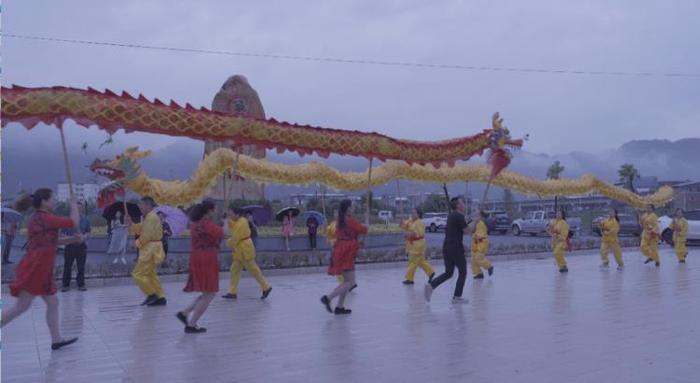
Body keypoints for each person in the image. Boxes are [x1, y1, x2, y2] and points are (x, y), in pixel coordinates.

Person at [1, 189, 81, 350]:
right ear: (44, 201)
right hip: (36, 268)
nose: (55, 201)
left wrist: (73, 239)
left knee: (53, 303)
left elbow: (53, 241)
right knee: (21, 307)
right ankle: (56, 339)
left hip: (42, 267)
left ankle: (56, 339)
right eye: (53, 199)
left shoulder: (39, 218)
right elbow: (74, 222)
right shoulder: (45, 218)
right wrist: (74, 205)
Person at [176, 200, 223, 334]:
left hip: (197, 257)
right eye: (215, 209)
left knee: (207, 293)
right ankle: (191, 324)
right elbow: (222, 233)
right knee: (210, 293)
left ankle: (185, 313)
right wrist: (226, 223)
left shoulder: (195, 224)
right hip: (207, 258)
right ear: (210, 211)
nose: (216, 212)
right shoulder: (207, 225)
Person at [321, 199, 368, 314]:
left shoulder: (340, 220)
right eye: (351, 206)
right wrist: (366, 219)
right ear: (348, 208)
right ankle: (329, 297)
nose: (353, 208)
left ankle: (340, 306)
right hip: (346, 252)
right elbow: (363, 230)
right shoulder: (349, 220)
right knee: (350, 282)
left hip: (341, 251)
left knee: (347, 281)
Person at [424, 197, 471, 304]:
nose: (464, 204)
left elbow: (464, 224)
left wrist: (470, 220)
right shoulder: (458, 216)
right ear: (458, 205)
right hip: (456, 248)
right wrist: (477, 220)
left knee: (448, 273)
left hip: (447, 247)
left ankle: (431, 285)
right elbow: (468, 231)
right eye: (462, 202)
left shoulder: (452, 215)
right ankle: (457, 297)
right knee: (463, 272)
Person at [222, 206, 272, 300]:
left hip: (245, 249)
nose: (230, 216)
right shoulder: (238, 221)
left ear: (237, 214)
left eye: (231, 214)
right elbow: (232, 225)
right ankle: (232, 292)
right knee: (234, 270)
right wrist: (226, 220)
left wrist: (227, 243)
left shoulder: (242, 222)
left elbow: (235, 238)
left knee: (253, 270)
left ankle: (266, 287)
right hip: (239, 251)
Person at [127, 197, 167, 306]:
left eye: (141, 204)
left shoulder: (151, 217)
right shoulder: (150, 217)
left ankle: (151, 294)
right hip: (152, 247)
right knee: (150, 274)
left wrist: (136, 243)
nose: (140, 207)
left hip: (150, 249)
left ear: (148, 205)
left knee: (137, 273)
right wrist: (131, 224)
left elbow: (146, 236)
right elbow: (141, 228)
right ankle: (160, 297)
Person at [61, 201, 92, 292]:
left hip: (81, 246)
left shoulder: (86, 220)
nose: (78, 209)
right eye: (76, 208)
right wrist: (70, 238)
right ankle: (65, 285)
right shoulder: (67, 220)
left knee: (81, 267)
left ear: (81, 208)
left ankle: (81, 284)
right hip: (70, 246)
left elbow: (89, 232)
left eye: (79, 208)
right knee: (67, 266)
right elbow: (62, 234)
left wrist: (84, 237)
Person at [401, 207, 434, 285]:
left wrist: (410, 234)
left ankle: (410, 279)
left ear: (418, 214)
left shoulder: (420, 222)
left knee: (412, 262)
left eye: (414, 213)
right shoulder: (411, 221)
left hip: (418, 245)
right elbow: (404, 226)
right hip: (412, 245)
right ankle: (431, 273)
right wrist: (402, 221)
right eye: (411, 212)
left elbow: (420, 233)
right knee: (421, 262)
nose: (412, 214)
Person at [471, 210, 494, 279]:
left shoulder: (481, 223)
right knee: (473, 260)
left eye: (476, 215)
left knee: (478, 257)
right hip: (475, 243)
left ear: (480, 216)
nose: (474, 216)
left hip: (482, 243)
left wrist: (472, 233)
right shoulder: (476, 223)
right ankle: (479, 273)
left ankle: (489, 266)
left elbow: (479, 234)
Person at [548, 208, 570, 273]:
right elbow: (551, 232)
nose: (557, 215)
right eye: (557, 213)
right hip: (555, 241)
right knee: (557, 254)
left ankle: (564, 265)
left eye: (559, 214)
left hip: (562, 242)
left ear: (562, 215)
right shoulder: (554, 221)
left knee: (556, 252)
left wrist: (557, 235)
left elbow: (564, 236)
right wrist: (550, 228)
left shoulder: (564, 224)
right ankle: (561, 267)